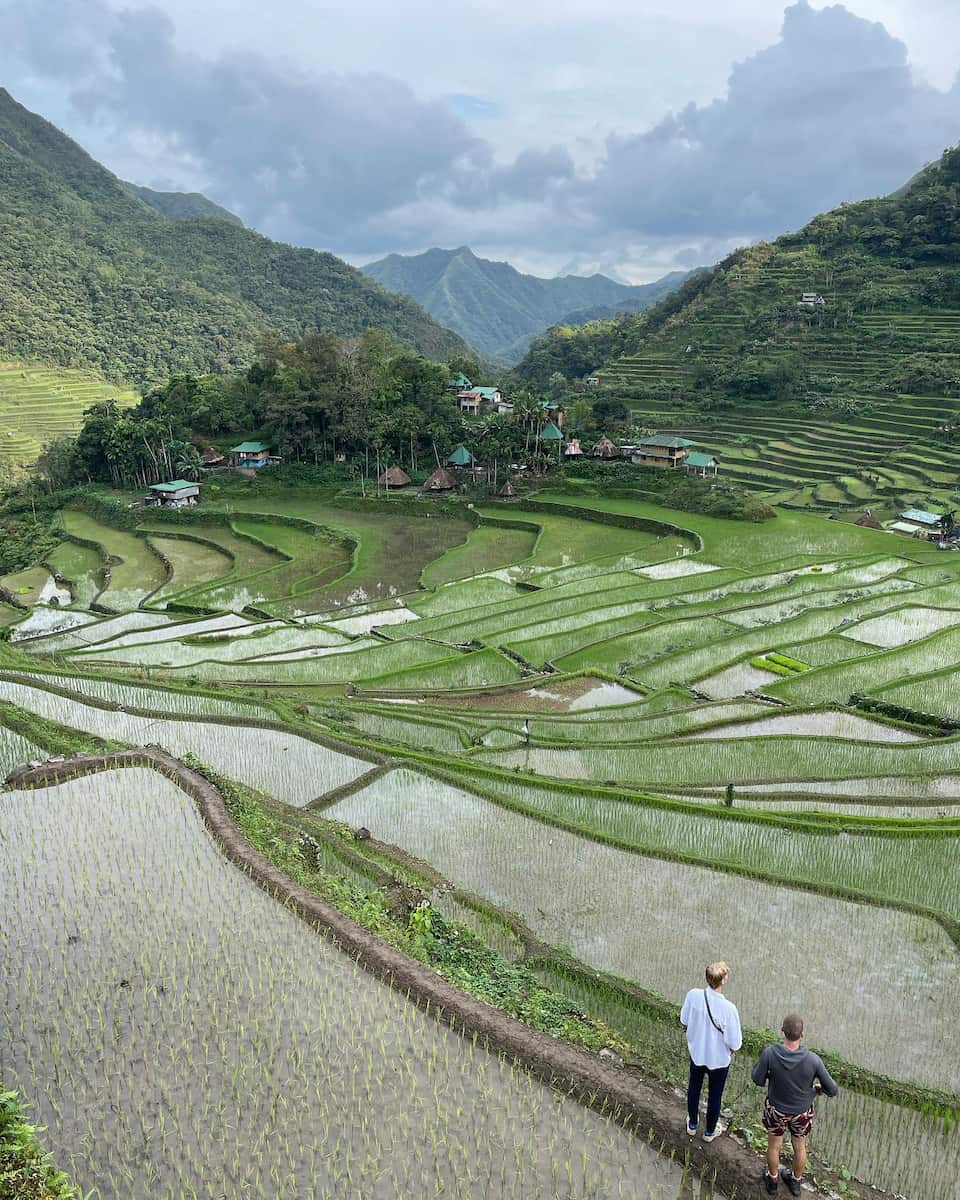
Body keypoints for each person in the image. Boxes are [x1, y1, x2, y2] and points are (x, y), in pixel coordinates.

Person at [752, 1013, 839, 1195]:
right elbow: (832, 1089)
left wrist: (770, 1075)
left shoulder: (770, 1053)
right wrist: (816, 1090)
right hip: (802, 1113)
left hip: (776, 1110)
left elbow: (757, 1079)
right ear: (802, 1034)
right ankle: (796, 1182)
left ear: (782, 1030)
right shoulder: (813, 1060)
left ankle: (773, 1179)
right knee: (800, 1146)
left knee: (774, 1145)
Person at [680, 961, 742, 1142]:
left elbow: (684, 1019)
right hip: (719, 1061)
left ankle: (692, 1124)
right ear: (723, 980)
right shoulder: (729, 1009)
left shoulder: (693, 996)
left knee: (694, 1088)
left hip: (697, 1054)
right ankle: (709, 1132)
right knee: (715, 1096)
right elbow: (735, 1043)